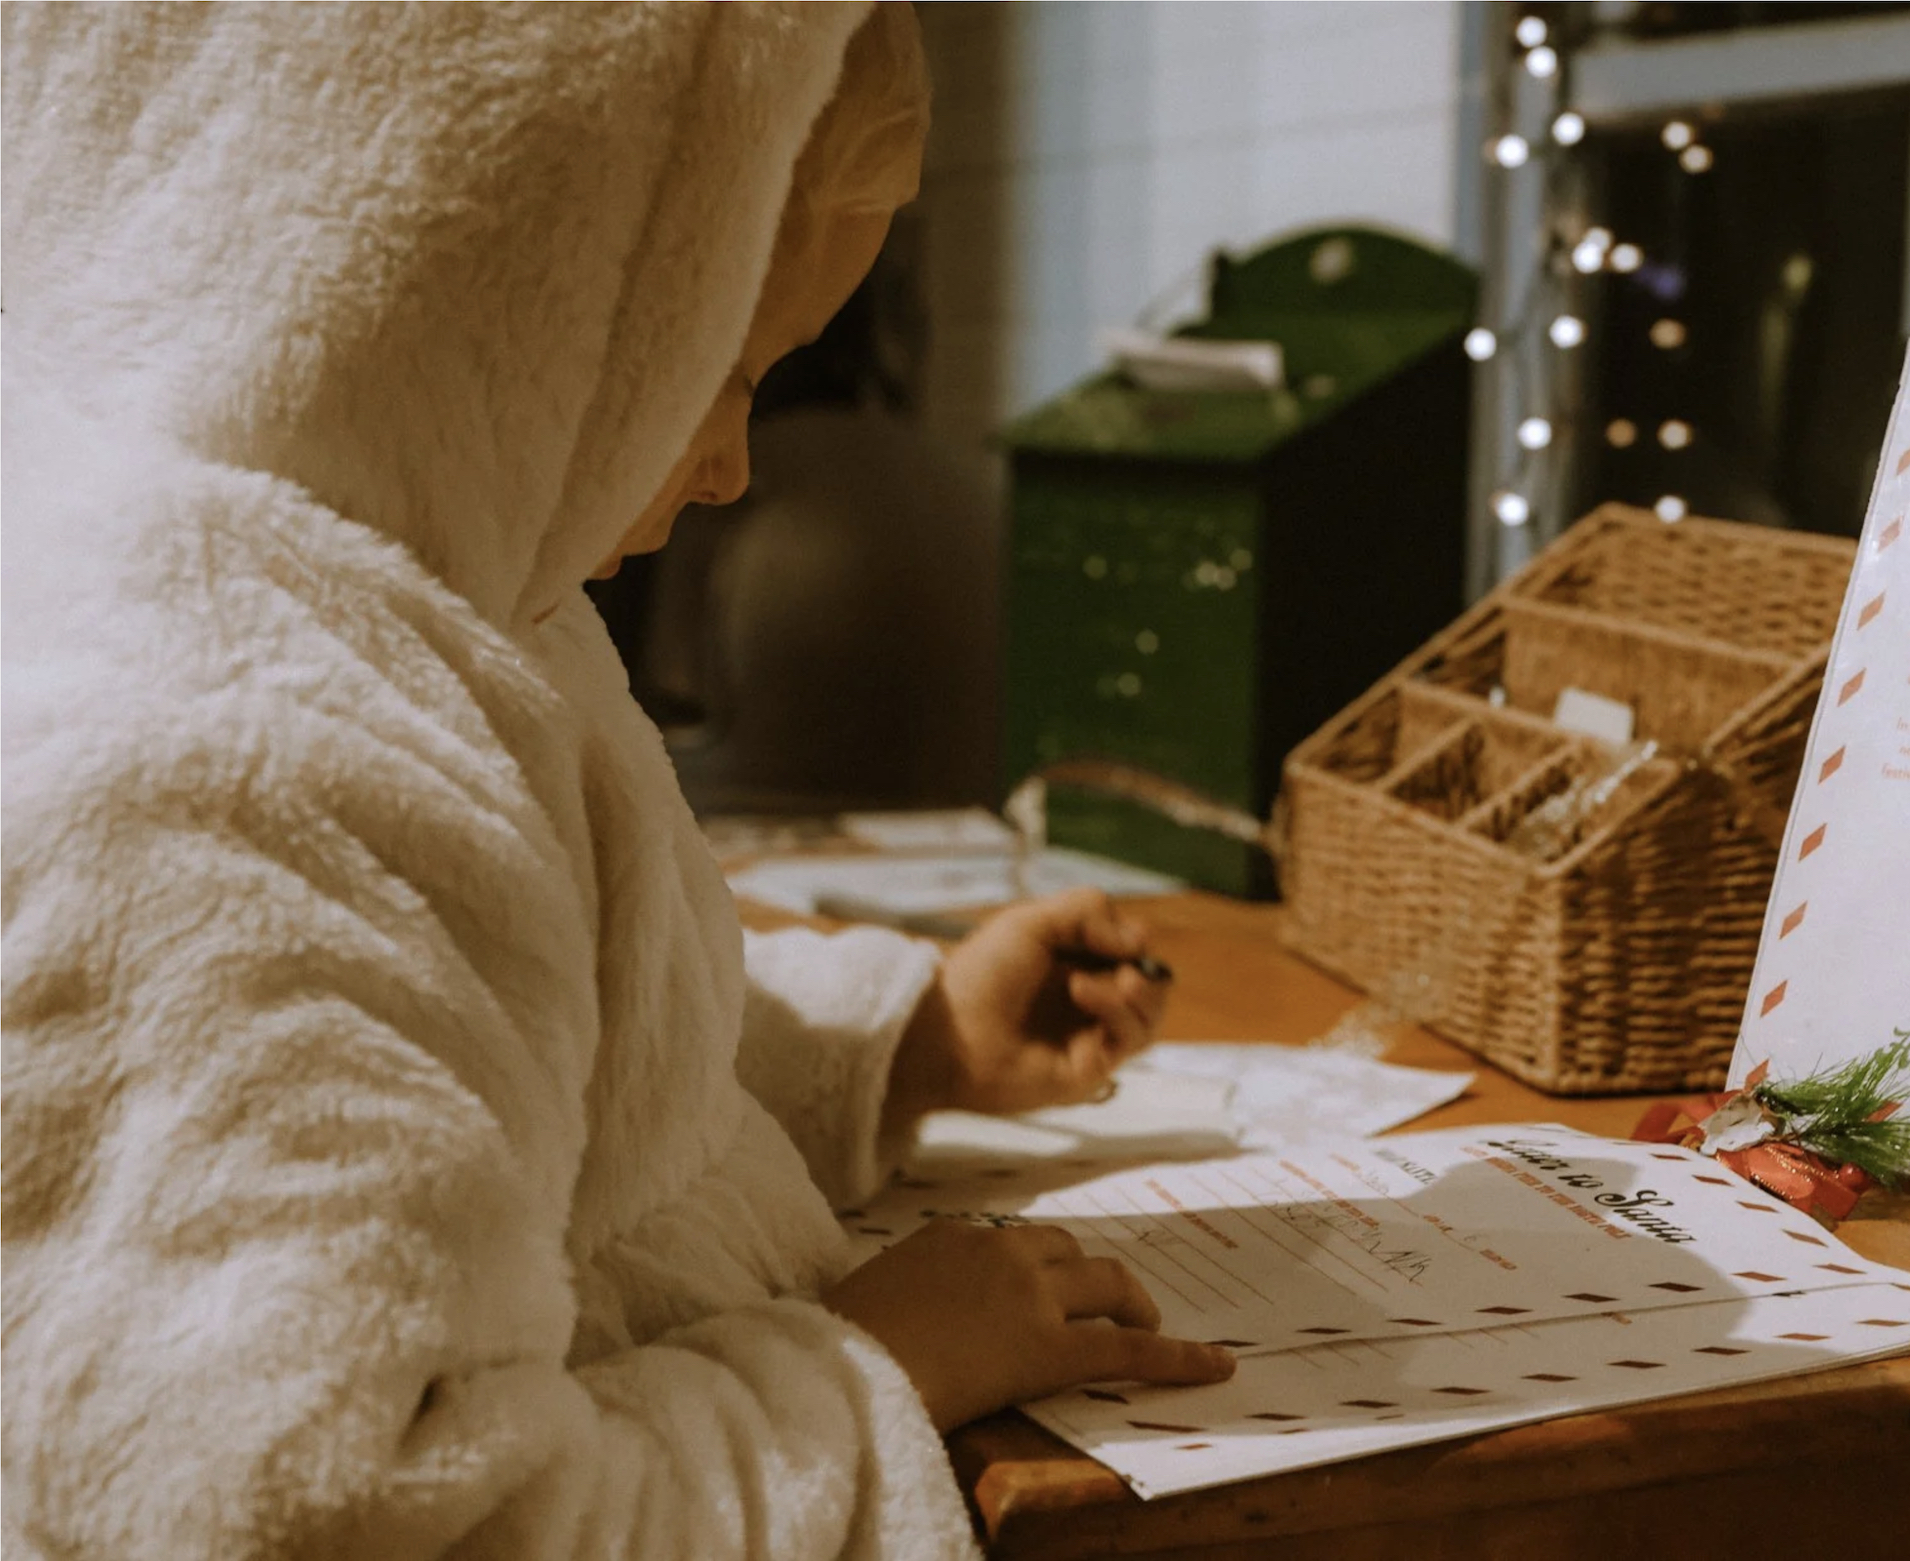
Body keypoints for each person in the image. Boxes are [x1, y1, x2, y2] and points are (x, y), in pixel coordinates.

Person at [1, 6, 1229, 1557]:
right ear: (475, 276)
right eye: (720, 367)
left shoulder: (446, 594)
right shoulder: (229, 794)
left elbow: (540, 1057)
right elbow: (367, 1524)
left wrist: (903, 1043)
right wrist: (869, 1372)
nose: (731, 467)